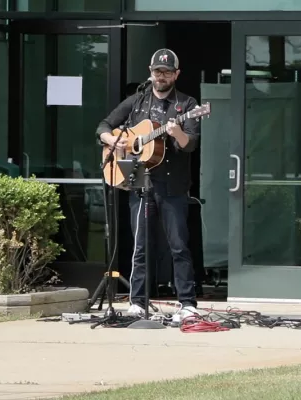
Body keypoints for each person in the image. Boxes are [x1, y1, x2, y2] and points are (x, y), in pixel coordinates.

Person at [95, 49, 201, 318]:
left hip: (173, 188)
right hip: (141, 185)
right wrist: (117, 142)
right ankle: (137, 302)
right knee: (140, 245)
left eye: (166, 71)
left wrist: (177, 132)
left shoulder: (188, 105)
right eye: (157, 71)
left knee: (178, 245)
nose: (161, 76)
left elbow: (190, 145)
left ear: (176, 74)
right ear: (150, 72)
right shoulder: (137, 102)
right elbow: (104, 126)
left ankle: (187, 303)